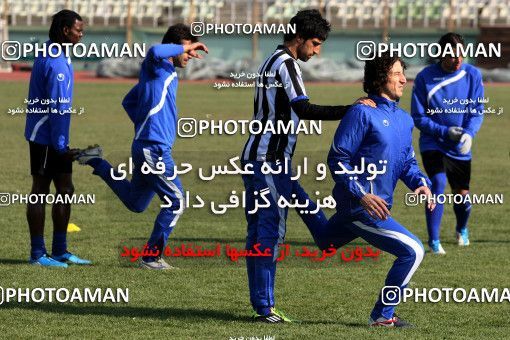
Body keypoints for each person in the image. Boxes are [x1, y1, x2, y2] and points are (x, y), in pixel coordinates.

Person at [241, 9, 375, 323]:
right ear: (298, 37)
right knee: (269, 233)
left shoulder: (272, 60)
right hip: (266, 163)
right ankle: (264, 309)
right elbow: (303, 108)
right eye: (314, 43)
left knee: (313, 225)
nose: (317, 51)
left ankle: (358, 226)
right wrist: (350, 110)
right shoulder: (286, 64)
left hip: (271, 163)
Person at [307, 52, 434, 327]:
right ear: (380, 79)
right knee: (413, 250)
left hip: (374, 206)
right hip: (360, 208)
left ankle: (292, 191)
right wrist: (361, 195)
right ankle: (382, 315)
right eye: (397, 73)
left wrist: (421, 183)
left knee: (324, 242)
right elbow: (337, 159)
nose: (403, 79)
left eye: (404, 72)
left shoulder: (403, 119)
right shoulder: (362, 112)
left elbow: (407, 162)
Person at [75, 24, 208, 269]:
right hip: (153, 149)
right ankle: (151, 257)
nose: (190, 55)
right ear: (177, 45)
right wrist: (149, 129)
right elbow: (156, 50)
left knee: (136, 203)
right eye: (187, 50)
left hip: (146, 146)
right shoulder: (157, 65)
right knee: (177, 201)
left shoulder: (165, 72)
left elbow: (129, 101)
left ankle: (97, 161)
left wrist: (144, 123)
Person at [25, 9, 90, 267]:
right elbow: (59, 108)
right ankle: (38, 254)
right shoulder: (56, 62)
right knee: (40, 191)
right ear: (65, 31)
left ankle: (60, 250)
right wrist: (61, 145)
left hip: (52, 133)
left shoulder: (53, 51)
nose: (81, 34)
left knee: (65, 189)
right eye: (78, 30)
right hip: (45, 135)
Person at [411, 32, 484, 254]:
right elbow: (418, 117)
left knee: (462, 195)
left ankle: (461, 228)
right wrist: (445, 132)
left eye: (461, 54)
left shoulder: (473, 75)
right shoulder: (425, 77)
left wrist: (468, 134)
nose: (458, 59)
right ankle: (434, 242)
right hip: (433, 143)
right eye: (452, 55)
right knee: (438, 184)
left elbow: (477, 111)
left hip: (460, 147)